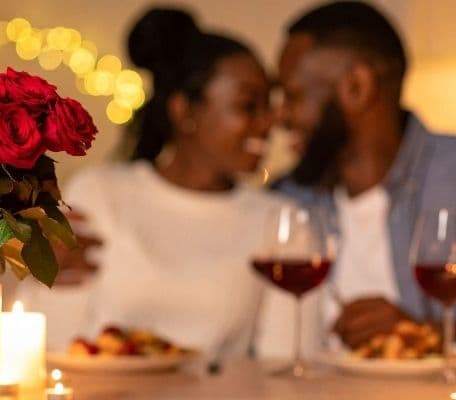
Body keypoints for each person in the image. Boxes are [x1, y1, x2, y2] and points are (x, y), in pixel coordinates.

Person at [257, 1, 456, 356]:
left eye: (292, 96)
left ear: (357, 86)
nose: (280, 118)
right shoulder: (288, 198)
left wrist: (420, 335)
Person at [17, 8, 283, 361]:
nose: (269, 123)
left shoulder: (278, 220)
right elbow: (55, 341)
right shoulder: (100, 194)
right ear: (183, 110)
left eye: (270, 105)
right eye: (249, 105)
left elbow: (284, 367)